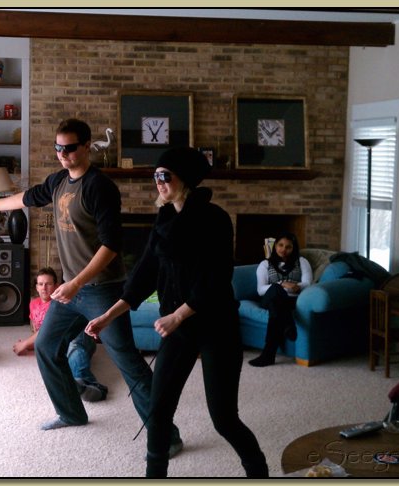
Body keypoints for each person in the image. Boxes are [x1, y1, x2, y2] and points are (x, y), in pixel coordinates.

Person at [0, 118, 183, 457]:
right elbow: (27, 197)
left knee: (128, 363)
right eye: (58, 148)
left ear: (85, 146)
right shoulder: (58, 181)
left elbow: (111, 246)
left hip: (102, 290)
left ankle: (167, 437)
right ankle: (71, 413)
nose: (62, 154)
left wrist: (75, 283)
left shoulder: (100, 187)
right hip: (71, 291)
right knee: (46, 346)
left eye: (69, 148)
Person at [85, 147, 268, 478]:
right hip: (177, 329)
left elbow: (215, 278)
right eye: (155, 176)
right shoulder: (165, 218)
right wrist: (109, 315)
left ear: (185, 179)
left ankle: (258, 473)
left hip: (215, 326)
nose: (158, 182)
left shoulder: (214, 219)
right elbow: (144, 273)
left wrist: (178, 315)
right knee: (158, 412)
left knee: (224, 419)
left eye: (165, 176)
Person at [13, 267, 107, 402]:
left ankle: (88, 385)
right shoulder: (33, 303)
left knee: (73, 346)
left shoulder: (61, 305)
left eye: (48, 284)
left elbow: (45, 330)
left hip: (79, 336)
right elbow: (38, 332)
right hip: (58, 341)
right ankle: (76, 385)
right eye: (40, 284)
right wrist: (33, 344)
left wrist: (25, 343)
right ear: (36, 287)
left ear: (56, 286)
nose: (44, 288)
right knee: (59, 357)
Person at [248, 232, 313, 367]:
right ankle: (289, 324)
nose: (283, 249)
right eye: (280, 245)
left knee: (276, 310)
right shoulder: (265, 264)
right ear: (275, 246)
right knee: (276, 290)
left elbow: (308, 283)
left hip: (291, 301)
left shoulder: (302, 262)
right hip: (268, 299)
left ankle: (268, 355)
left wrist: (297, 286)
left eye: (288, 247)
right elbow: (260, 289)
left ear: (294, 248)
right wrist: (281, 284)